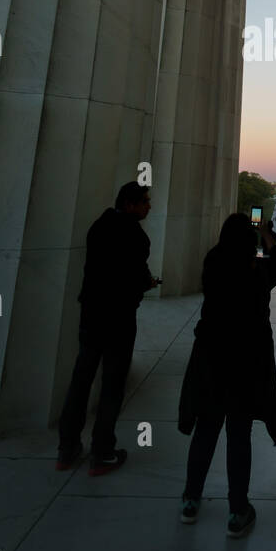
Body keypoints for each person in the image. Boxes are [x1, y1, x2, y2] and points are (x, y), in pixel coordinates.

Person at [178, 214, 276, 537]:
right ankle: (238, 510)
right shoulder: (256, 272)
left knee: (206, 431)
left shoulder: (213, 263)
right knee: (238, 437)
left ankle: (190, 500)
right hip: (244, 367)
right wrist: (267, 236)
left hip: (212, 362)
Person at [56, 181, 160, 476]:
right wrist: (147, 283)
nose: (149, 206)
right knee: (112, 385)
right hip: (118, 319)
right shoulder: (136, 237)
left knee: (81, 379)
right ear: (129, 204)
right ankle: (101, 452)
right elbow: (136, 278)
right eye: (144, 202)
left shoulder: (98, 227)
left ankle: (67, 448)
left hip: (91, 314)